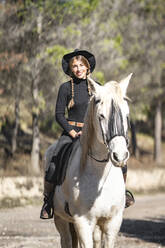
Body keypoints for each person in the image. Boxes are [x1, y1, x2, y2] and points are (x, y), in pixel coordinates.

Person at [40, 49, 134, 220]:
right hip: (71, 133)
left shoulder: (98, 87)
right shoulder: (65, 88)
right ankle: (48, 200)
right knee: (54, 160)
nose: (78, 69)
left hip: (94, 133)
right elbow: (59, 114)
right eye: (74, 66)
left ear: (87, 67)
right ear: (70, 69)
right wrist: (71, 130)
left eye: (81, 65)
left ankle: (123, 193)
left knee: (120, 159)